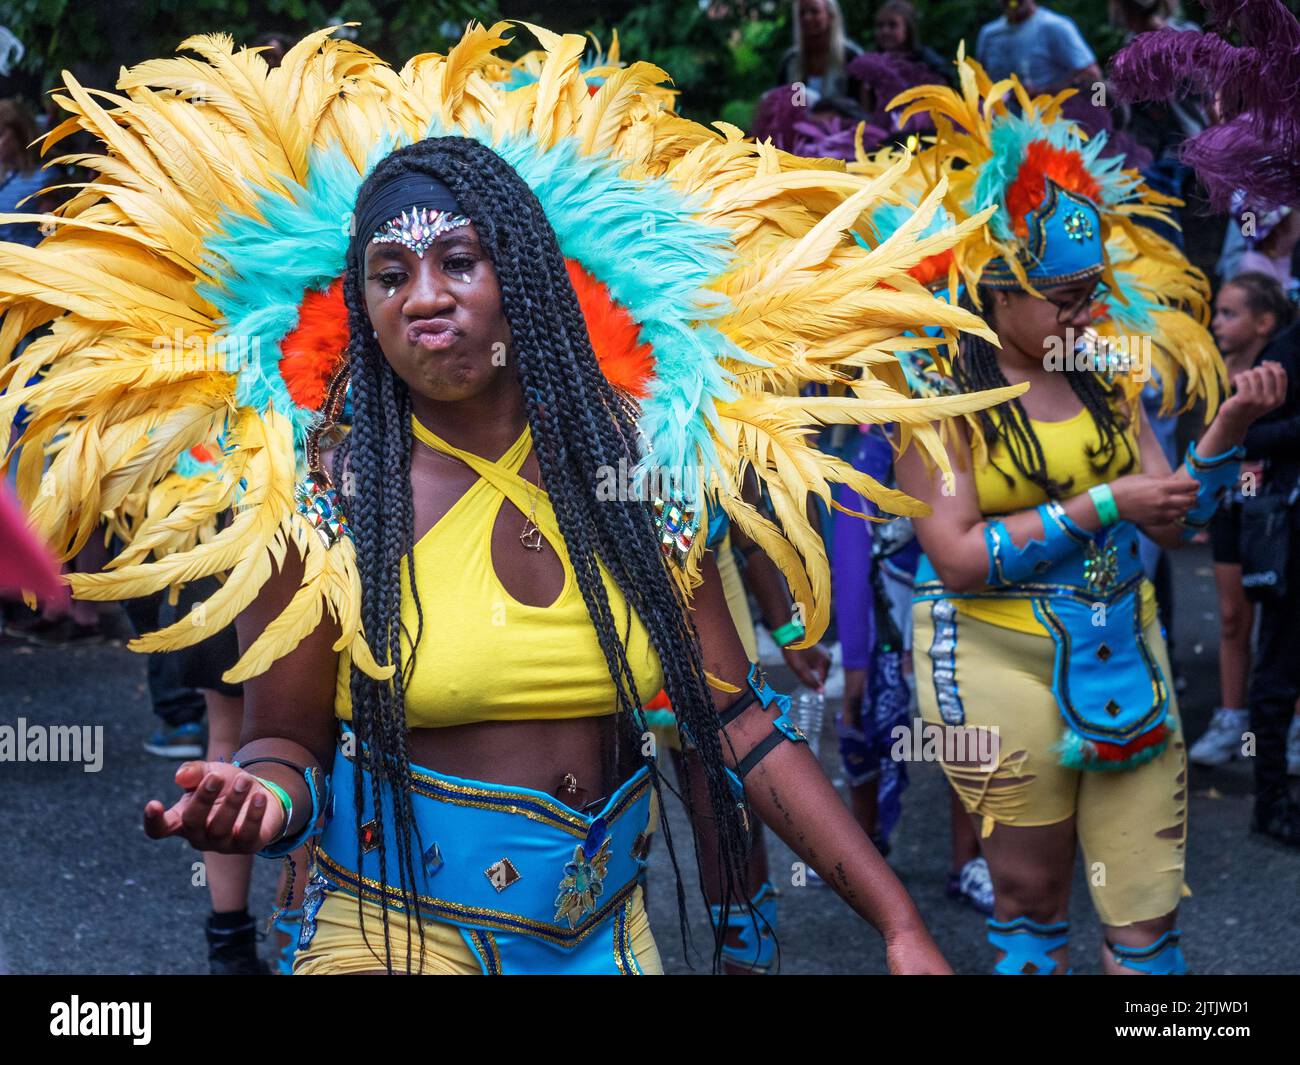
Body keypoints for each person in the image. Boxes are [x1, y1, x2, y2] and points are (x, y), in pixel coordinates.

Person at [1, 25, 1009, 975]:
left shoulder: (639, 470)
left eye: (457, 260)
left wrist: (899, 921)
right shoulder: (322, 497)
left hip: (604, 935)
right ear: (363, 308)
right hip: (393, 933)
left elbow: (735, 724)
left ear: (522, 280)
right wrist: (258, 801)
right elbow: (287, 741)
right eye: (388, 274)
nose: (423, 296)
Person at [891, 53, 1285, 975]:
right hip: (988, 661)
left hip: (1125, 651)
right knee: (1029, 907)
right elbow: (951, 556)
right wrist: (1104, 500)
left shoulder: (1106, 378)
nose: (1086, 311)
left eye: (1090, 293)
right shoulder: (937, 396)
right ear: (997, 291)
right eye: (1065, 298)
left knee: (1149, 915)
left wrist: (1227, 429)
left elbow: (1175, 521)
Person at [1194, 273, 1297, 773]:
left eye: (1229, 313)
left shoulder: (1280, 371)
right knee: (1233, 617)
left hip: (1271, 514)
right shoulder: (1212, 373)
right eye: (1217, 312)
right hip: (1229, 511)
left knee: (1282, 621)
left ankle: (1289, 724)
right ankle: (1231, 717)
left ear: (1265, 322)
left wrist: (1248, 442)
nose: (1217, 322)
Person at [975, 0, 1101, 97]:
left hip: (1052, 125)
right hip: (999, 127)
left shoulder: (1055, 27)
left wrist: (1042, 92)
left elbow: (1093, 77)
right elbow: (979, 81)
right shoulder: (989, 34)